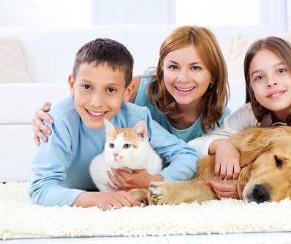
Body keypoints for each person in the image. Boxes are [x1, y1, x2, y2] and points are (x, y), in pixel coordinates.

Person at [32, 26, 236, 188]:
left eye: (196, 68)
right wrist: (53, 118)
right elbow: (94, 98)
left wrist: (155, 180)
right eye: (173, 67)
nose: (183, 78)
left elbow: (188, 157)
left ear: (213, 75)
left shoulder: (220, 118)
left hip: (160, 178)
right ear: (162, 69)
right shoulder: (139, 89)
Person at [29, 38, 199, 210]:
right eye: (87, 87)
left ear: (127, 92)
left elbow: (186, 155)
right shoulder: (58, 121)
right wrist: (99, 198)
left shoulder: (136, 117)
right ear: (72, 85)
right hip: (82, 195)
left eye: (110, 90)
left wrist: (154, 180)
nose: (96, 102)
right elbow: (40, 189)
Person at [189, 36, 291, 198]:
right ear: (251, 86)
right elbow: (193, 145)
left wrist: (240, 188)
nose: (271, 82)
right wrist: (220, 145)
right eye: (259, 77)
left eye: (281, 71)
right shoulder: (251, 112)